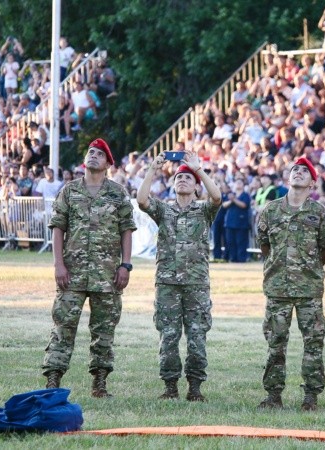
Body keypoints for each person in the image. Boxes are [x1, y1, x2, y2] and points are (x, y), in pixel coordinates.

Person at [42, 138, 137, 398]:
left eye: (99, 154)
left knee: (104, 330)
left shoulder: (117, 193)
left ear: (107, 164)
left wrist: (125, 265)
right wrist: (58, 264)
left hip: (107, 274)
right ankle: (53, 380)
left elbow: (126, 230)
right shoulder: (69, 191)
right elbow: (58, 228)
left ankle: (100, 383)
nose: (93, 155)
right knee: (63, 325)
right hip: (71, 273)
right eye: (90, 152)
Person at [137, 150, 222, 402]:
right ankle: (170, 386)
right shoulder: (164, 210)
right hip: (168, 284)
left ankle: (195, 387)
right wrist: (153, 169)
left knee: (197, 336)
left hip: (196, 284)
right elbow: (142, 200)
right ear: (173, 186)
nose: (182, 180)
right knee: (169, 335)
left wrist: (198, 169)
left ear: (196, 187)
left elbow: (216, 197)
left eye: (187, 178)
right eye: (178, 178)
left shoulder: (204, 210)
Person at [256, 157, 325, 411]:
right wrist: (277, 267)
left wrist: (307, 270)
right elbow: (264, 244)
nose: (298, 172)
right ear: (288, 178)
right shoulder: (271, 210)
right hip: (277, 287)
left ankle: (311, 396)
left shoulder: (319, 213)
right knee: (275, 342)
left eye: (305, 171)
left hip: (309, 289)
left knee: (313, 343)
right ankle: (273, 395)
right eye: (295, 170)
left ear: (312, 182)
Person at [223, 179, 251, 262]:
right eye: (237, 182)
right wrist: (232, 200)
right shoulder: (231, 195)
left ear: (243, 185)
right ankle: (233, 258)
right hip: (230, 222)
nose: (238, 184)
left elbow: (244, 205)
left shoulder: (245, 195)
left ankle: (241, 259)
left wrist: (233, 199)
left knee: (241, 242)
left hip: (241, 222)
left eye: (240, 182)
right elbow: (224, 205)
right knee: (230, 242)